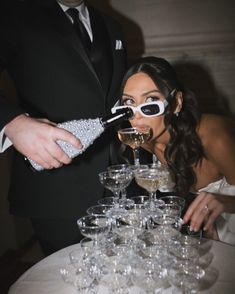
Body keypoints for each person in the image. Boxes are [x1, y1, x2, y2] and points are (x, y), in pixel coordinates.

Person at [0, 0, 127, 255]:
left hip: (119, 182)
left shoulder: (112, 25)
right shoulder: (12, 14)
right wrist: (11, 122)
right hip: (55, 187)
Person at [112, 56, 235, 245]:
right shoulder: (145, 139)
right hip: (212, 227)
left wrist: (226, 202)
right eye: (129, 103)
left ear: (176, 102)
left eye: (151, 101)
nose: (137, 117)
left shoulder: (213, 137)